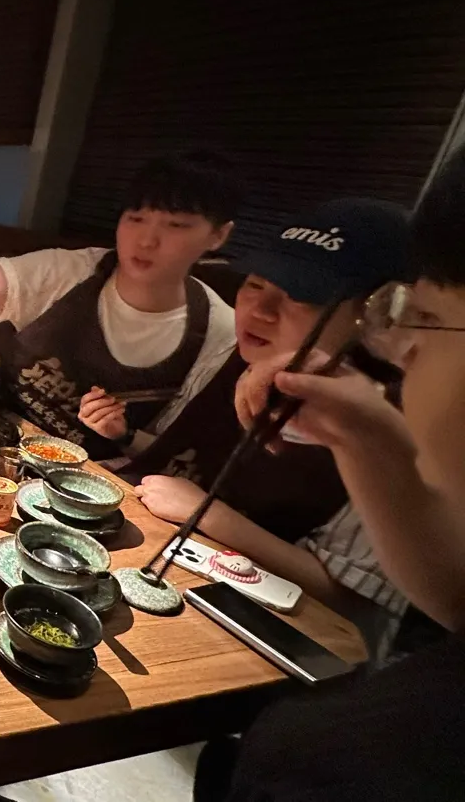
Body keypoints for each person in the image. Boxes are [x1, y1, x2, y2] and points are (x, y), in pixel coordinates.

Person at [202, 150, 465, 801]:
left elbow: (360, 608)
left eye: (424, 317)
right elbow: (458, 600)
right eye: (254, 285)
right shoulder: (267, 373)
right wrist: (367, 435)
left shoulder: (350, 763)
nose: (404, 349)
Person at [115, 200, 413, 647]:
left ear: (374, 318)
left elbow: (355, 602)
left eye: (301, 296)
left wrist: (210, 515)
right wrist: (123, 435)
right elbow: (174, 459)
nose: (261, 310)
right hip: (155, 565)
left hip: (266, 637)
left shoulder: (386, 428)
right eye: (255, 284)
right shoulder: (232, 359)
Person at [0, 151, 244, 459]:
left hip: (90, 478)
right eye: (136, 218)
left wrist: (124, 434)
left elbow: (178, 454)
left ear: (218, 235)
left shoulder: (221, 333)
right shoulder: (74, 271)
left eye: (176, 225)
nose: (146, 240)